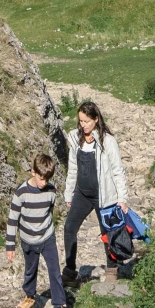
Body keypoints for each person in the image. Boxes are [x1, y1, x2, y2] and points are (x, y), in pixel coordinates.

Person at [62, 97, 127, 289]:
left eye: (86, 121)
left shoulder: (108, 142)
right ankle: (70, 270)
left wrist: (122, 198)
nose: (83, 125)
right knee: (69, 228)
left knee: (107, 232)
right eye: (80, 121)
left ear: (96, 119)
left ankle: (112, 269)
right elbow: (72, 168)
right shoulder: (74, 138)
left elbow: (118, 171)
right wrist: (68, 194)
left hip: (103, 195)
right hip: (82, 194)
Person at [3, 149, 73, 308]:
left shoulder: (51, 191)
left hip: (47, 237)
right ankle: (29, 297)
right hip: (28, 239)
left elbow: (49, 211)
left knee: (55, 272)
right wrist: (10, 245)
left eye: (47, 179)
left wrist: (46, 229)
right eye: (41, 178)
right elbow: (13, 220)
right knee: (30, 270)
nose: (44, 182)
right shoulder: (21, 193)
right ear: (33, 171)